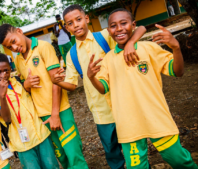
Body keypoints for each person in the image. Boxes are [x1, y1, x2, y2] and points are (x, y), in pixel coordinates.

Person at [87, 8, 198, 169]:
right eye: (113, 25)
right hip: (128, 125)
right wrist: (91, 77)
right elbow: (103, 88)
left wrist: (176, 48)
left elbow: (178, 71)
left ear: (133, 25)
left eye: (123, 23)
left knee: (179, 160)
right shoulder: (108, 59)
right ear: (109, 31)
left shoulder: (148, 48)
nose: (118, 28)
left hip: (157, 118)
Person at [51, 4, 146, 169]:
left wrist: (131, 43)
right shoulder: (71, 54)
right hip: (101, 112)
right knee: (111, 151)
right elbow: (72, 85)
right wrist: (57, 81)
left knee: (133, 146)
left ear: (86, 19)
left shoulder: (104, 36)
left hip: (124, 104)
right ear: (66, 27)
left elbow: (141, 28)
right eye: (71, 23)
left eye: (79, 19)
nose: (76, 25)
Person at [0, 24, 88, 169]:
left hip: (60, 111)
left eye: (13, 41)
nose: (14, 48)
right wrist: (26, 84)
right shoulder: (19, 60)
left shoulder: (43, 47)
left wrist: (55, 113)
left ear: (19, 31)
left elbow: (56, 81)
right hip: (41, 117)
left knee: (74, 155)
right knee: (61, 156)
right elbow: (25, 89)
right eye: (9, 47)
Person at [0, 53, 59, 169]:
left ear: (11, 69)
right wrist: (2, 96)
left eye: (6, 70)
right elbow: (6, 119)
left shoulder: (18, 81)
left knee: (51, 166)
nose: (3, 75)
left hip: (41, 134)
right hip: (22, 144)